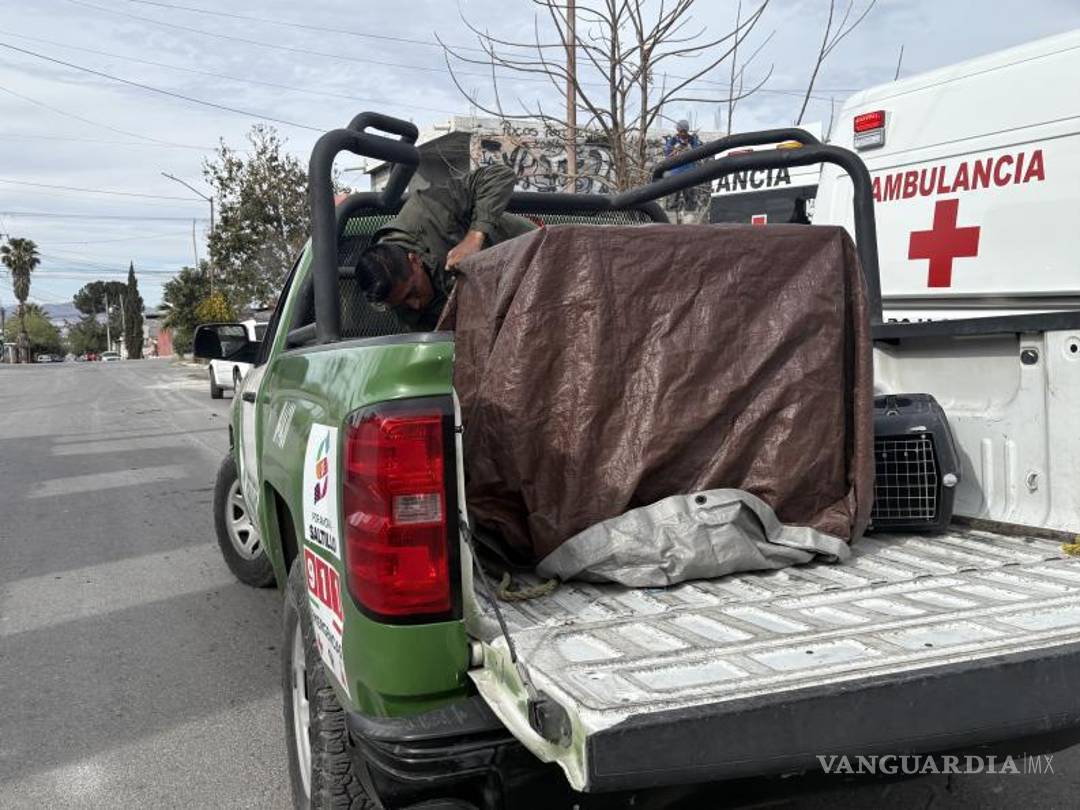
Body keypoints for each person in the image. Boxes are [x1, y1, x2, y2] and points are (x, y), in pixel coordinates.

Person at [355, 164, 536, 331]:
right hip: (498, 316)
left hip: (532, 258)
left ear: (414, 260)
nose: (415, 305)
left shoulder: (428, 211)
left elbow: (499, 175)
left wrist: (474, 237)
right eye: (402, 303)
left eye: (413, 292)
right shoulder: (392, 295)